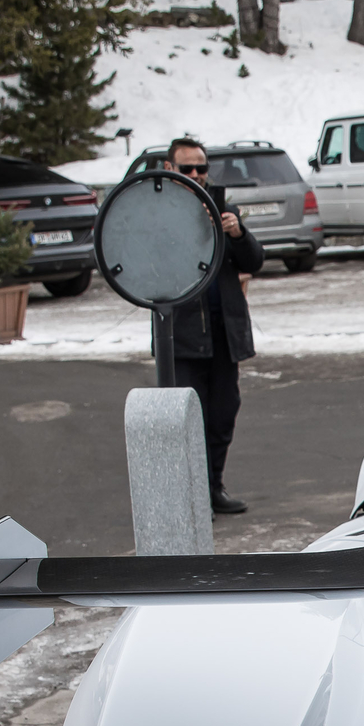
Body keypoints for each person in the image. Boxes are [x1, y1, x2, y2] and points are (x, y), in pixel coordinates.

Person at [158, 137, 263, 514]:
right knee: (187, 421)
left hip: (223, 332)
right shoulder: (158, 212)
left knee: (221, 415)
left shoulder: (222, 209)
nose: (196, 175)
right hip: (182, 336)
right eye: (187, 169)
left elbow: (255, 260)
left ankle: (212, 489)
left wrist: (237, 233)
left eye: (201, 168)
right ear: (170, 170)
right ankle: (187, 498)